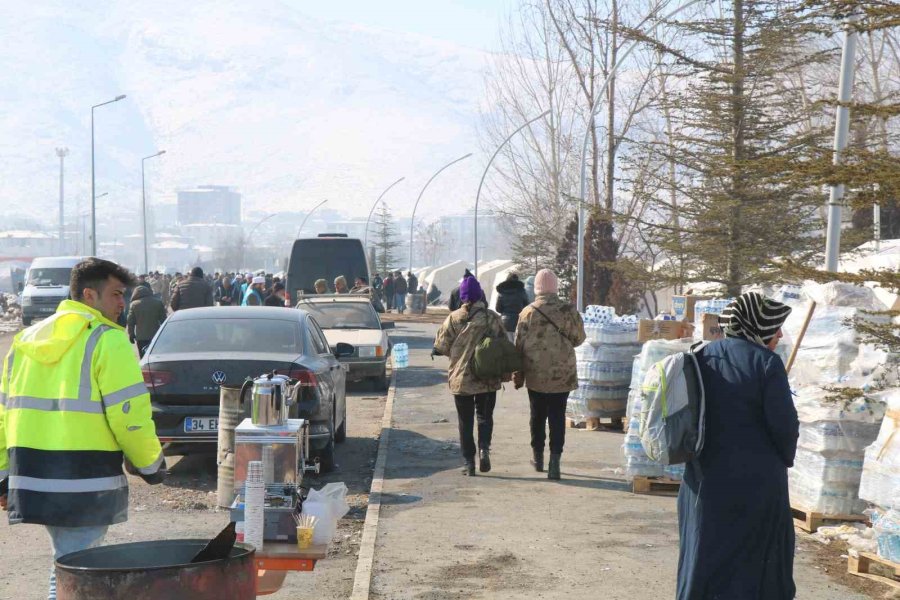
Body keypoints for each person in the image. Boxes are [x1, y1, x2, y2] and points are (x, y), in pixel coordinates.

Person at [0, 258, 166, 600]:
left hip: (33, 477)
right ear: (89, 295)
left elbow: (4, 414)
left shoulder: (24, 341)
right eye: (117, 294)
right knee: (76, 576)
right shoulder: (108, 341)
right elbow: (129, 416)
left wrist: (3, 474)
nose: (123, 303)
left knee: (65, 565)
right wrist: (151, 464)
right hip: (85, 481)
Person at [677, 292, 796, 600]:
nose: (780, 334)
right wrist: (784, 458)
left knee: (703, 560)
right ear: (757, 325)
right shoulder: (767, 363)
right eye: (775, 326)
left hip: (702, 483)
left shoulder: (698, 356)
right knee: (756, 569)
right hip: (756, 489)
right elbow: (784, 428)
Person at [513, 269, 585, 480]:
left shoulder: (527, 312)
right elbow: (580, 338)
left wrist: (519, 375)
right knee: (557, 416)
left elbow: (518, 347)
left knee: (537, 416)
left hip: (535, 374)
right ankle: (555, 462)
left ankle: (538, 458)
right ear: (555, 287)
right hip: (562, 374)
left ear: (536, 288)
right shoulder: (568, 311)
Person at [433, 277, 505, 476]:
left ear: (463, 297)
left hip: (461, 378)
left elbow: (441, 346)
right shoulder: (492, 317)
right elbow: (503, 343)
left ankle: (468, 462)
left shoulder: (454, 318)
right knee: (484, 417)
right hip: (487, 377)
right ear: (480, 294)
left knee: (465, 421)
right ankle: (484, 450)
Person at [127, 285, 167, 358]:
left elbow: (130, 322)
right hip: (156, 335)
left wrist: (131, 334)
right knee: (156, 357)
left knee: (143, 358)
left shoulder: (134, 305)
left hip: (141, 337)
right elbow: (164, 320)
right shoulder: (157, 302)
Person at [496, 273, 530, 341]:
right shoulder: (521, 291)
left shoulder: (501, 292)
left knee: (508, 346)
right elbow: (526, 305)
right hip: (519, 321)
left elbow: (498, 309)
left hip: (505, 323)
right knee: (518, 345)